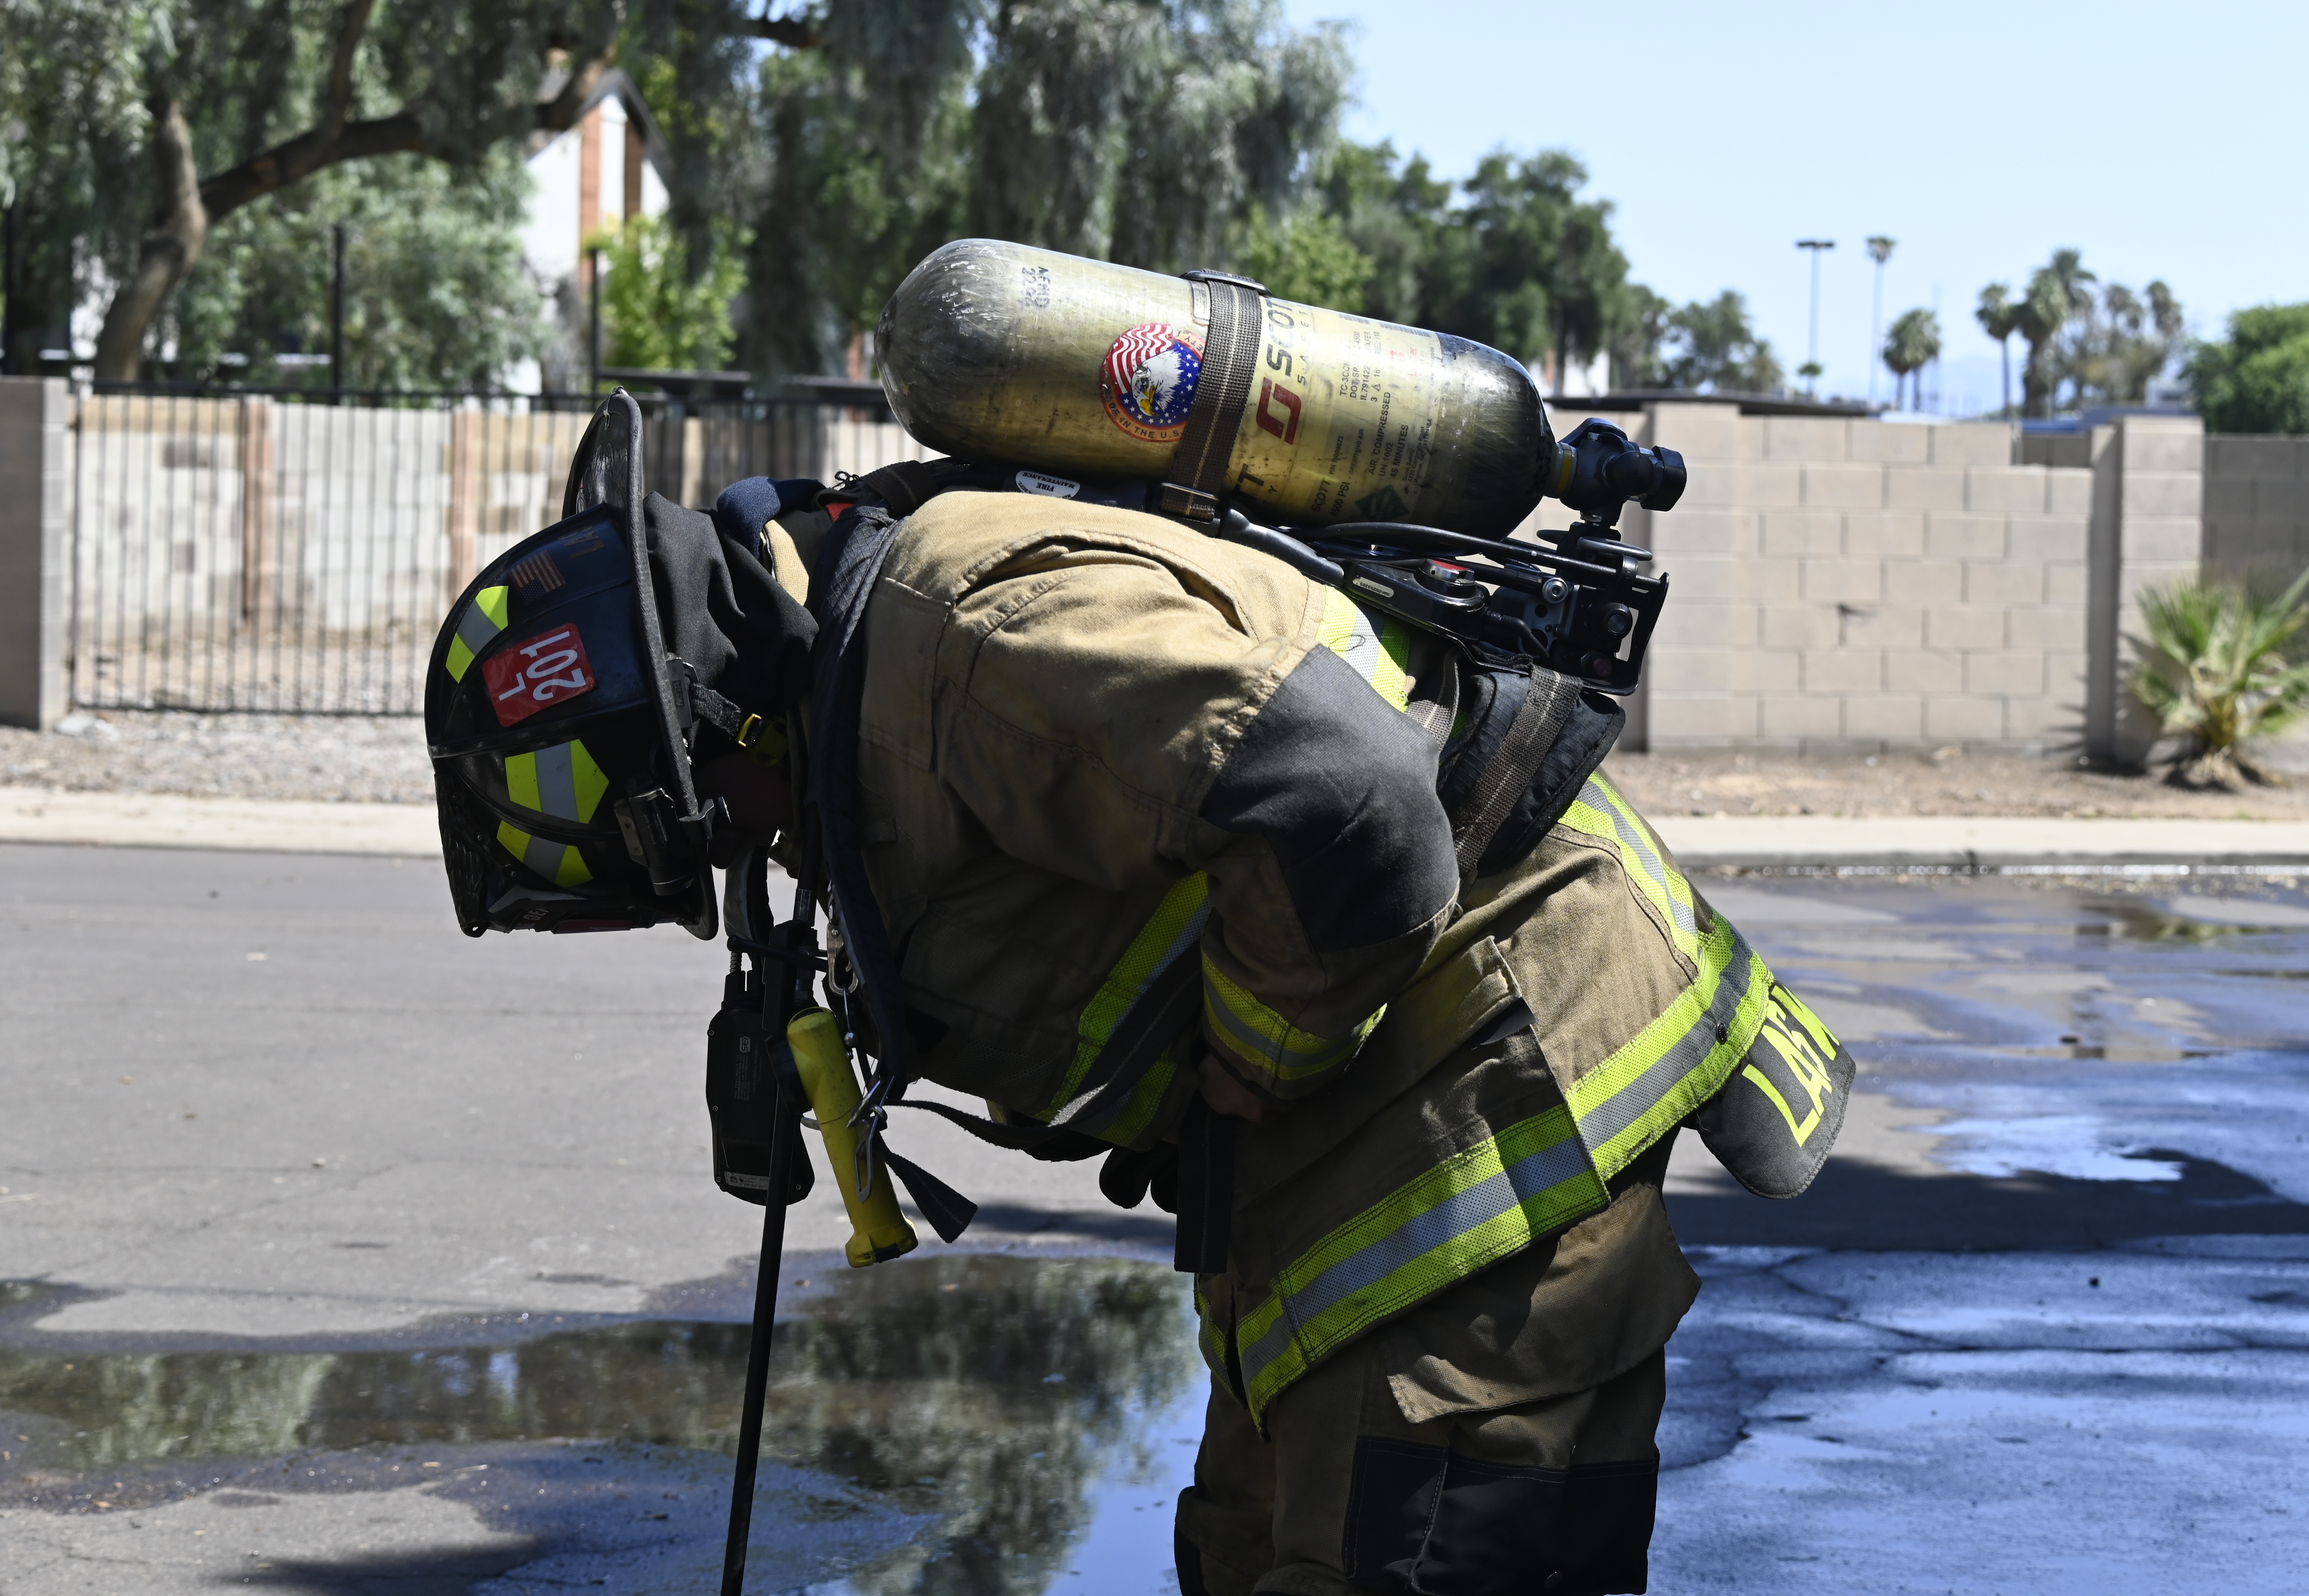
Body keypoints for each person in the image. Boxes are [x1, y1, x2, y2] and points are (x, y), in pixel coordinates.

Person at [672, 460, 1854, 1596]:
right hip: (1338, 1149)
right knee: (1248, 1550)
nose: (736, 846)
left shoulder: (966, 631)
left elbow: (1345, 795)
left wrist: (1259, 1048)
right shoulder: (852, 680)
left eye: (697, 819)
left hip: (1494, 1081)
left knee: (1407, 1557)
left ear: (721, 722)